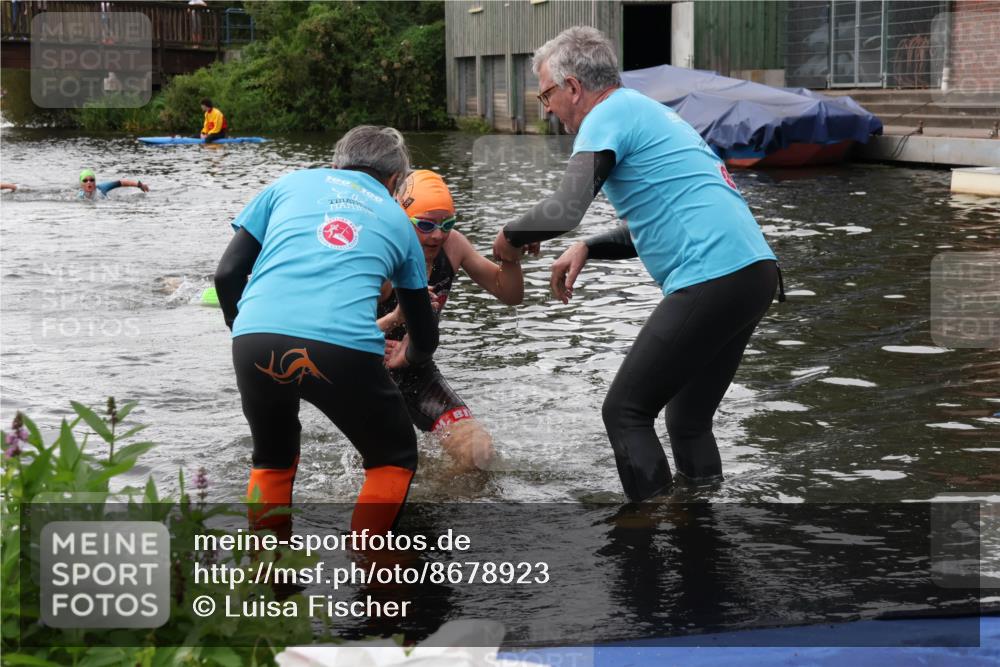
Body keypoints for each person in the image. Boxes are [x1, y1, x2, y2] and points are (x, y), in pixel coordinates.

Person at [492, 26, 783, 502]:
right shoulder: (648, 113)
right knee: (687, 421)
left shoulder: (606, 115)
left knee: (625, 412)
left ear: (572, 87)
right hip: (753, 274)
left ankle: (650, 533)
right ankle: (700, 524)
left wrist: (508, 239)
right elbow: (659, 219)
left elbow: (564, 209)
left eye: (545, 93)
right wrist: (589, 246)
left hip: (713, 275)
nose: (545, 106)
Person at [214, 125, 438, 535]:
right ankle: (375, 567)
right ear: (394, 181)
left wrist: (241, 328)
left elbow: (228, 274)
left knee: (272, 458)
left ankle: (270, 573)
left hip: (254, 338)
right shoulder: (397, 218)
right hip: (342, 349)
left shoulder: (290, 183)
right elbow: (424, 333)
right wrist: (411, 356)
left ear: (336, 163)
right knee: (394, 457)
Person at [379, 169, 524, 471]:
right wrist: (395, 318)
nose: (437, 235)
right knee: (388, 463)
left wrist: (511, 255)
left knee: (478, 454)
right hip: (369, 377)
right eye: (426, 224)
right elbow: (335, 333)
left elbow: (509, 294)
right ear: (403, 220)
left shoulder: (453, 245)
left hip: (418, 372)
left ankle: (444, 507)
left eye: (446, 223)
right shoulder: (383, 255)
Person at [77, 169, 149, 200]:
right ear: (81, 184)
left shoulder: (102, 188)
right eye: (85, 180)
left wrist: (139, 185)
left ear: (95, 182)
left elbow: (120, 183)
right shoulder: (80, 196)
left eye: (91, 180)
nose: (89, 182)